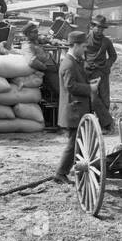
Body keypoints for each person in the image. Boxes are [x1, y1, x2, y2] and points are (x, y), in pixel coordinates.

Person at [53, 32, 96, 183]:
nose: (85, 49)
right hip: (74, 111)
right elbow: (70, 86)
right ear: (75, 45)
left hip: (77, 110)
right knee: (73, 144)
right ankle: (60, 173)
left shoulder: (74, 62)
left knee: (79, 142)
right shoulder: (69, 64)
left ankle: (78, 169)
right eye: (83, 46)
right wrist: (90, 88)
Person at [82, 14, 117, 131]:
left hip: (102, 72)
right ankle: (90, 122)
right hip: (89, 72)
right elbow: (80, 55)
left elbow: (113, 56)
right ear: (92, 26)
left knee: (105, 98)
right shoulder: (85, 39)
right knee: (91, 98)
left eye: (102, 28)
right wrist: (85, 64)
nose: (100, 30)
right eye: (98, 27)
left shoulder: (106, 41)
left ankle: (104, 125)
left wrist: (107, 64)